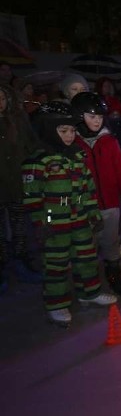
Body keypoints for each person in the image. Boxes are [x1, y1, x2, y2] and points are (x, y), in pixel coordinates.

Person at [21, 102, 117, 326]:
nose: (69, 135)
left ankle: (90, 292)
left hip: (80, 218)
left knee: (87, 258)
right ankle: (57, 304)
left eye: (72, 130)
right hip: (54, 221)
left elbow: (88, 188)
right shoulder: (37, 161)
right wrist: (42, 223)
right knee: (56, 264)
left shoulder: (76, 156)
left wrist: (92, 213)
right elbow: (33, 198)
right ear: (48, 130)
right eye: (63, 131)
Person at [71, 92, 121, 295]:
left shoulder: (108, 141)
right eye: (92, 117)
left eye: (100, 117)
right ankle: (87, 283)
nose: (97, 121)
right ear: (80, 117)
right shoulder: (73, 145)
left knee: (111, 242)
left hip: (110, 204)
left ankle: (114, 273)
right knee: (87, 246)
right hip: (86, 207)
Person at [1, 84, 41, 293]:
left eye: (2, 98)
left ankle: (21, 261)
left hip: (16, 183)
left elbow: (32, 146)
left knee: (19, 226)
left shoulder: (17, 121)